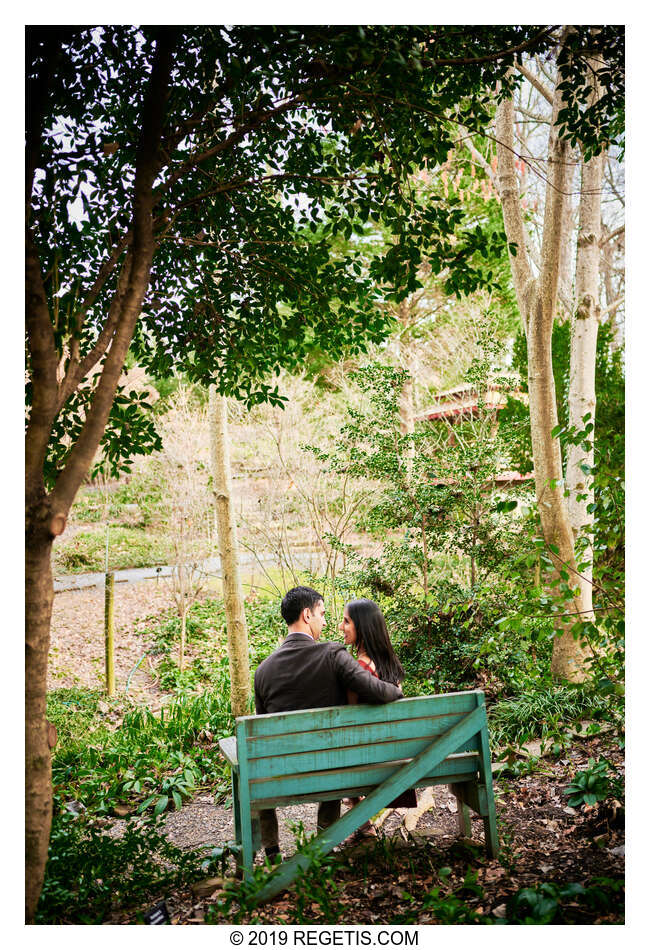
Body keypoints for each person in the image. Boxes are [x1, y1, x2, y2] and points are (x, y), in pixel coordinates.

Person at [254, 586, 403, 861]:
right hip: (328, 772)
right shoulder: (333, 655)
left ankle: (272, 851)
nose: (325, 621)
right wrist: (397, 691)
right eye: (322, 614)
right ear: (306, 615)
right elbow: (376, 689)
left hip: (281, 775)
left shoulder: (263, 671)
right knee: (331, 751)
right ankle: (325, 842)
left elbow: (261, 735)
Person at [339, 598, 417, 824]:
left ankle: (361, 822)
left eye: (346, 621)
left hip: (373, 759)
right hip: (396, 754)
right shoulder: (389, 663)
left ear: (362, 627)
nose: (340, 627)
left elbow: (351, 720)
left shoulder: (361, 668)